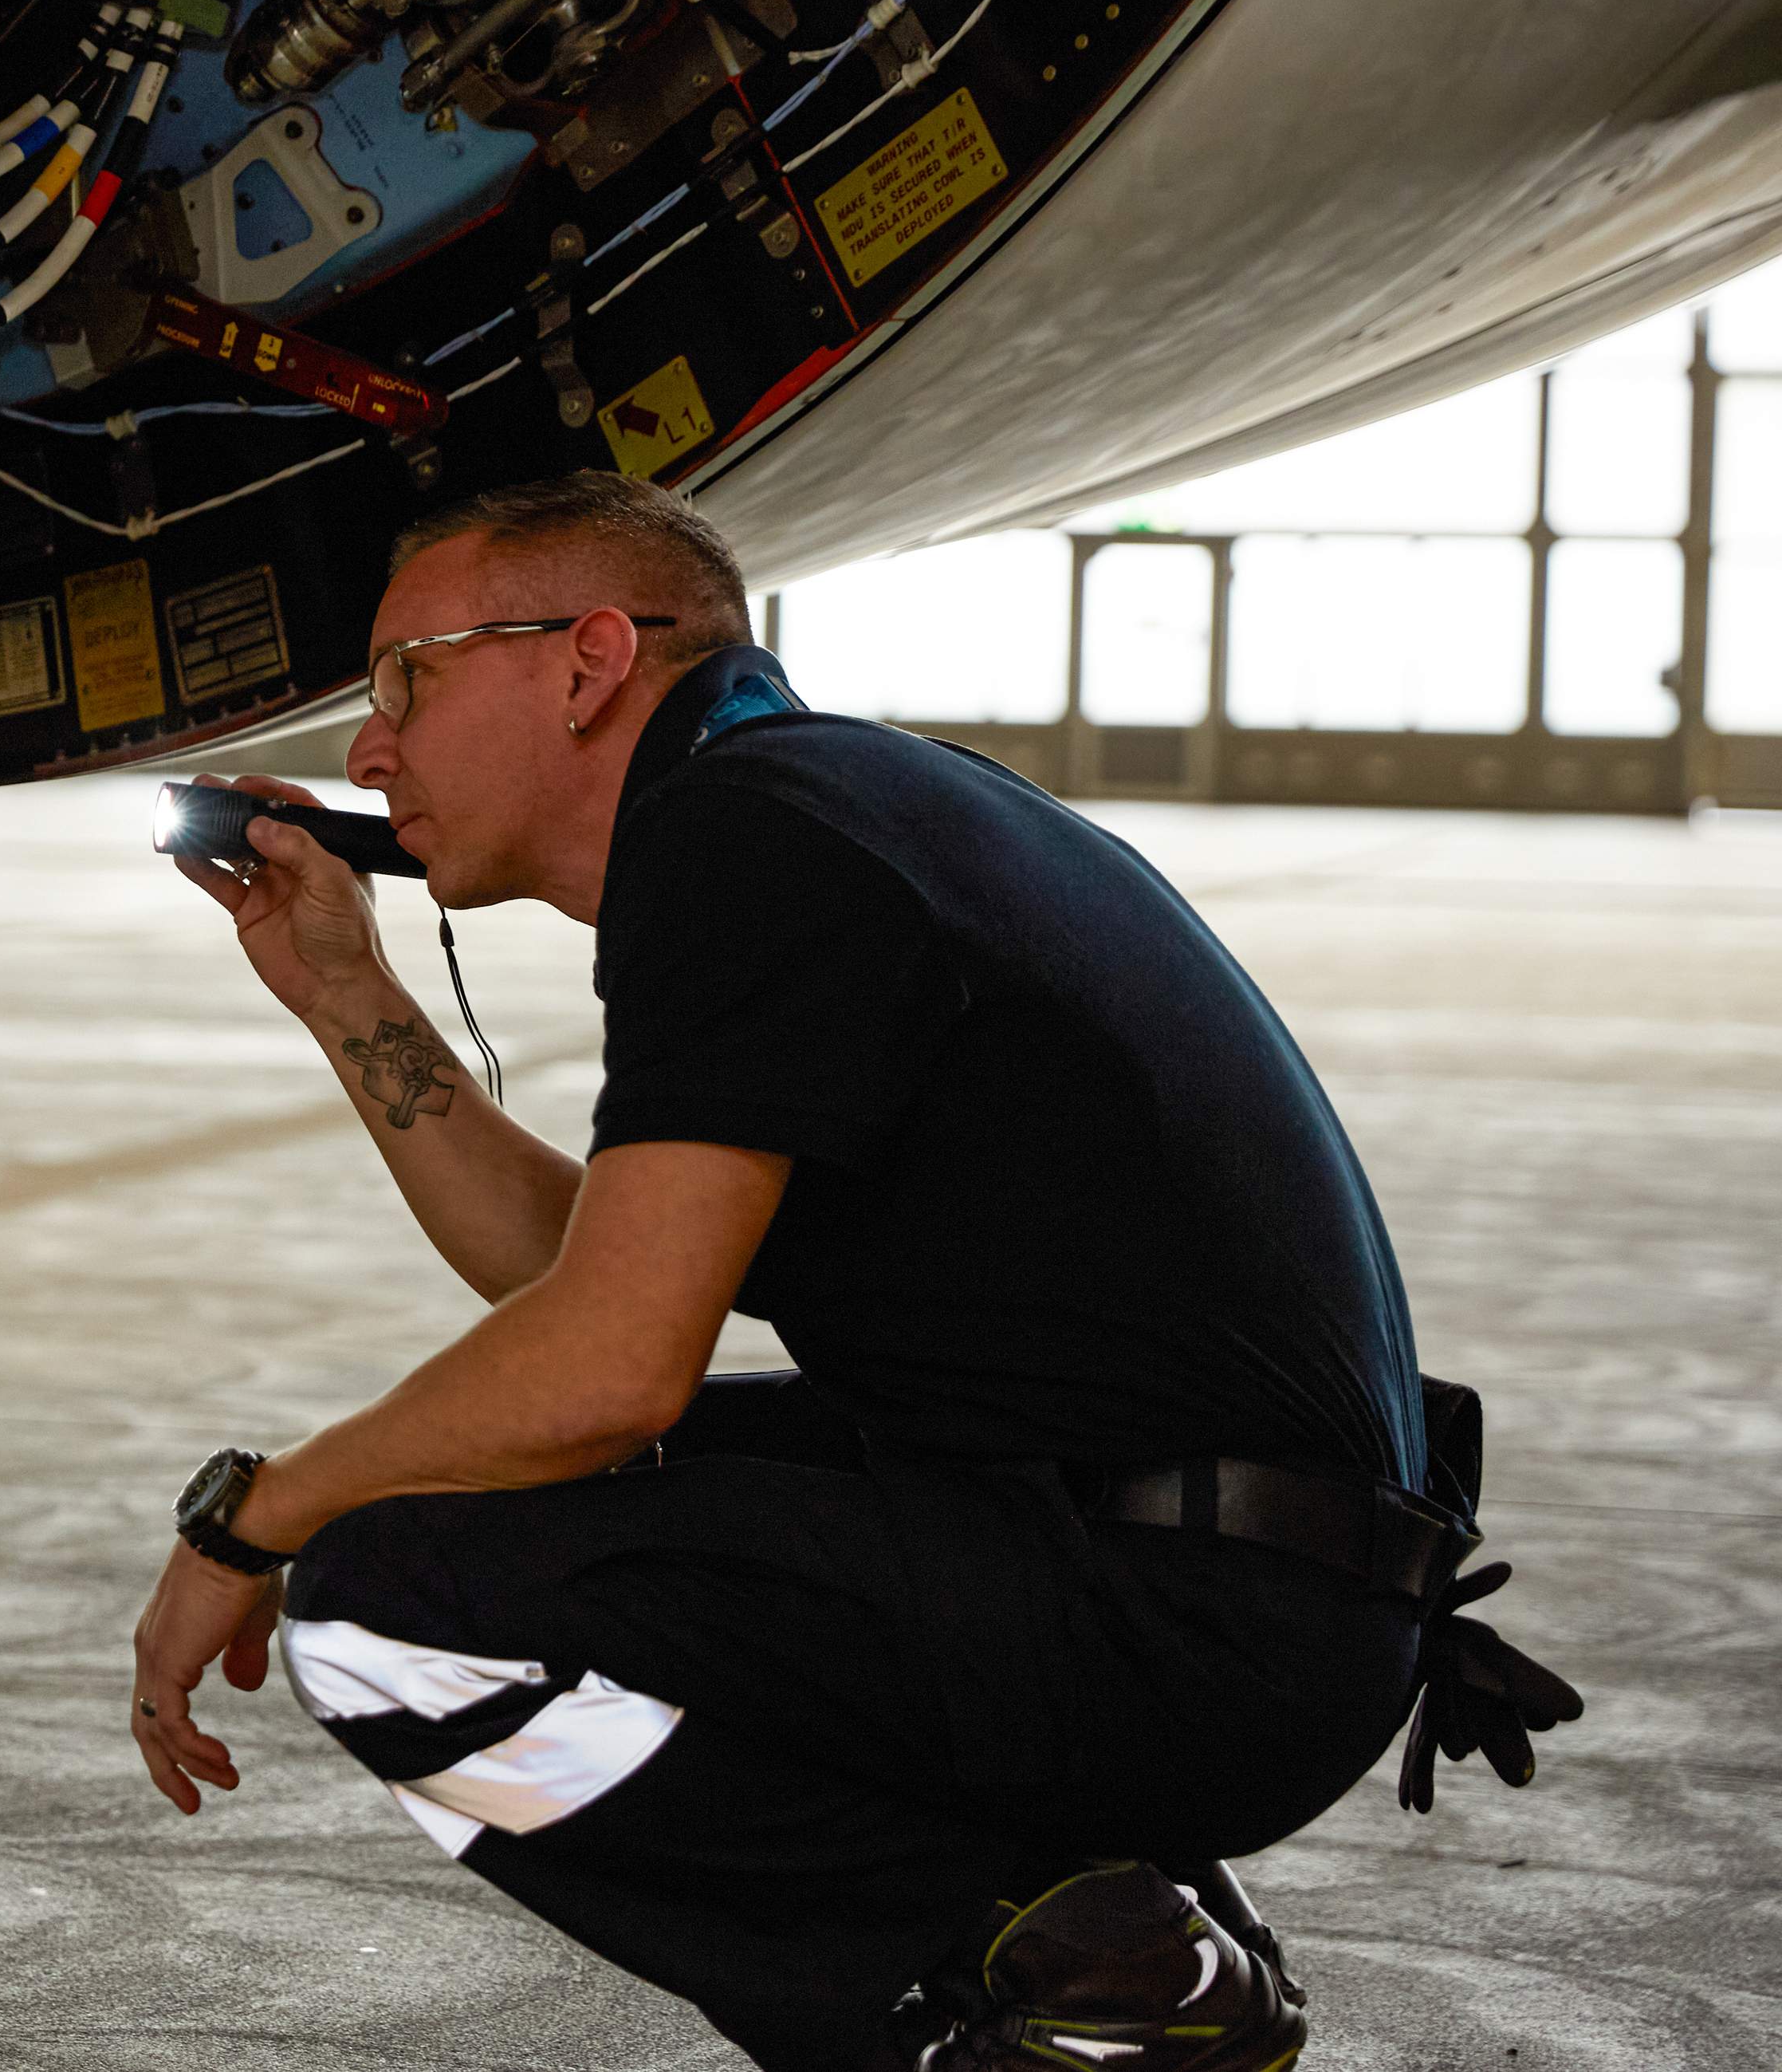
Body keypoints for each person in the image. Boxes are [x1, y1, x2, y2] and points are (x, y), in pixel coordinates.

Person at [125, 471, 1576, 2070]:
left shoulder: (747, 836)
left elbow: (606, 1362)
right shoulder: (826, 801)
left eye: (410, 675)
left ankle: (1053, 1974)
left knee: (387, 1608)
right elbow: (582, 1286)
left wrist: (255, 1514)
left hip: (1199, 1626)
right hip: (1242, 1586)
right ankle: (1094, 1926)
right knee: (538, 1481)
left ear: (586, 660)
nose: (366, 746)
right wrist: (348, 998)